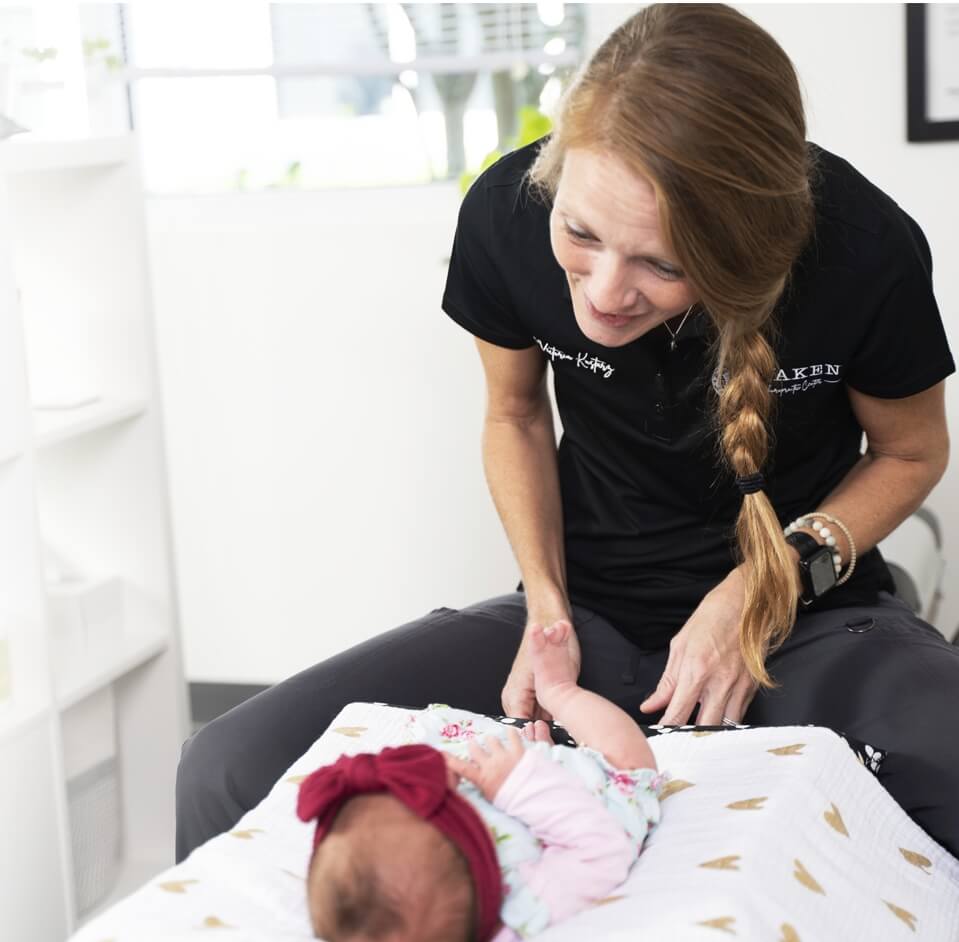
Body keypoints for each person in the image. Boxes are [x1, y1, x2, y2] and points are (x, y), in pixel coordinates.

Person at [176, 3, 959, 862]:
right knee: (226, 765)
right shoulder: (505, 216)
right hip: (584, 617)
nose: (604, 293)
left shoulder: (860, 246)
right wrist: (545, 610)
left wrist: (757, 595)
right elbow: (513, 413)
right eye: (579, 234)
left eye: (661, 263)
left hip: (805, 622)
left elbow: (911, 450)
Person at [297, 622, 662, 942]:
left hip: (510, 778)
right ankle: (560, 690)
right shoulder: (523, 907)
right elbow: (599, 849)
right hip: (582, 804)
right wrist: (526, 785)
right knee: (628, 758)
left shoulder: (409, 883)